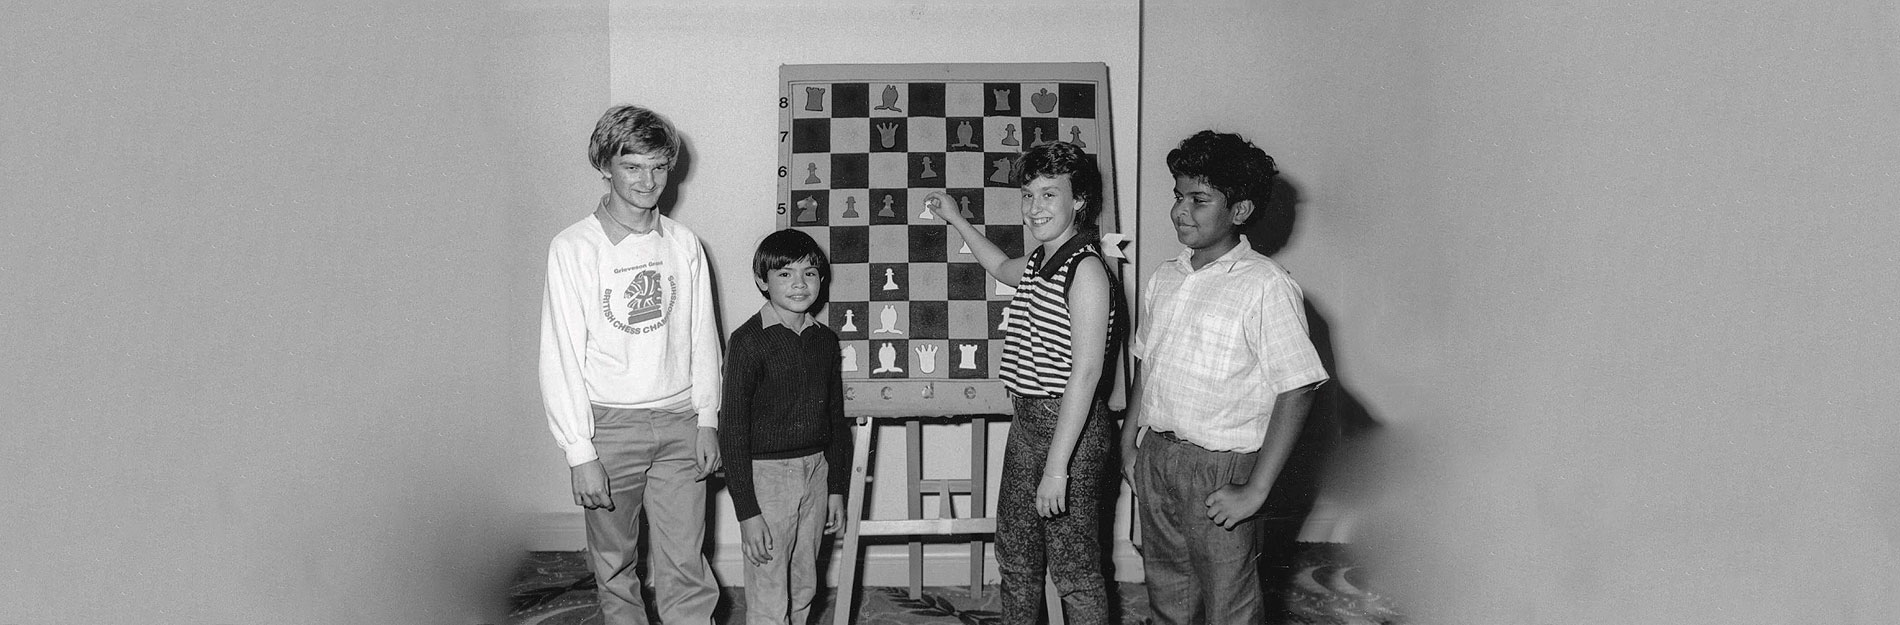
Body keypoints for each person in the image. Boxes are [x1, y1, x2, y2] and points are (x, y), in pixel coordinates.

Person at [1118, 130, 1329, 625]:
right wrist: (1129, 442)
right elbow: (1147, 363)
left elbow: (1298, 387)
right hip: (1159, 455)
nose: (1180, 210)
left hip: (1223, 468)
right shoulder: (1165, 277)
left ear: (1240, 211)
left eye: (1199, 199)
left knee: (1228, 601)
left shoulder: (1265, 285)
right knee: (1167, 591)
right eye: (1177, 196)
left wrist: (1255, 490)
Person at [538, 104, 722, 625]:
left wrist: (707, 419)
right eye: (633, 166)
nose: (648, 181)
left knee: (687, 564)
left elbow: (703, 338)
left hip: (681, 422)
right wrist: (580, 451)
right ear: (606, 166)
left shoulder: (684, 244)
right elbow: (560, 354)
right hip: (609, 428)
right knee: (615, 564)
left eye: (659, 167)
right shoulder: (573, 248)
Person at [925, 141, 1122, 624]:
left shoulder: (1086, 270)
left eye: (1049, 195)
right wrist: (956, 219)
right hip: (1029, 420)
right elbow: (999, 266)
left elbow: (1086, 374)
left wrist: (1057, 468)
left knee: (1074, 570)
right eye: (1028, 195)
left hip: (1071, 431)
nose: (1035, 208)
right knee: (1016, 554)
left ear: (1080, 200)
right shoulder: (1039, 260)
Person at [718, 229, 851, 625]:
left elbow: (836, 420)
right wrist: (747, 512)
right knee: (769, 587)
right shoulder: (748, 341)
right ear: (762, 281)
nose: (799, 284)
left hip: (816, 473)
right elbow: (732, 430)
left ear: (821, 280)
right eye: (785, 274)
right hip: (767, 479)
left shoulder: (825, 341)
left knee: (806, 581)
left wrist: (836, 488)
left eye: (809, 273)